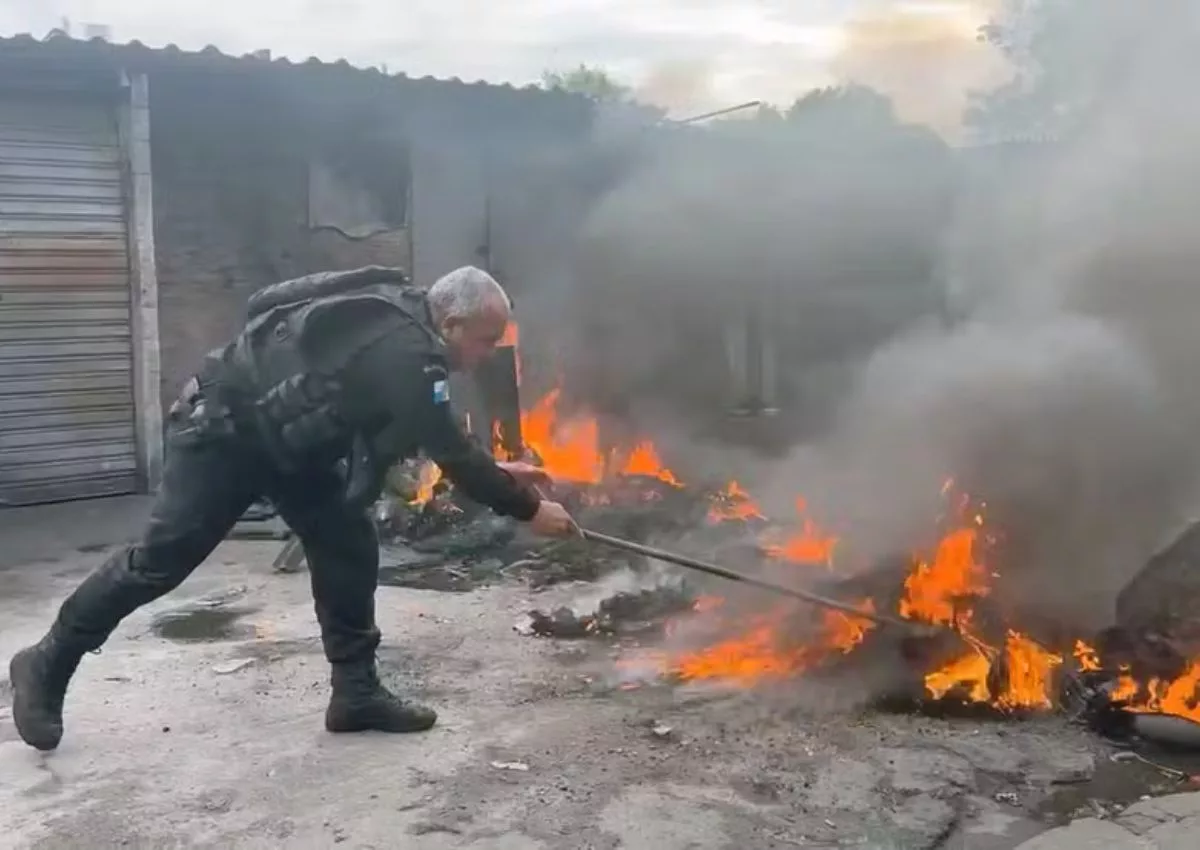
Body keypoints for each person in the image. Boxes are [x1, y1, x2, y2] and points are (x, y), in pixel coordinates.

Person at [9, 265, 579, 752]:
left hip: (288, 447)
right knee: (162, 560)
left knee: (346, 539)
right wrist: (529, 508)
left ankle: (355, 693)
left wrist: (499, 472)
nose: (485, 356)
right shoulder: (406, 349)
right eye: (484, 341)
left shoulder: (403, 324)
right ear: (451, 323)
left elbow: (420, 433)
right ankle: (46, 661)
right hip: (223, 436)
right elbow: (448, 446)